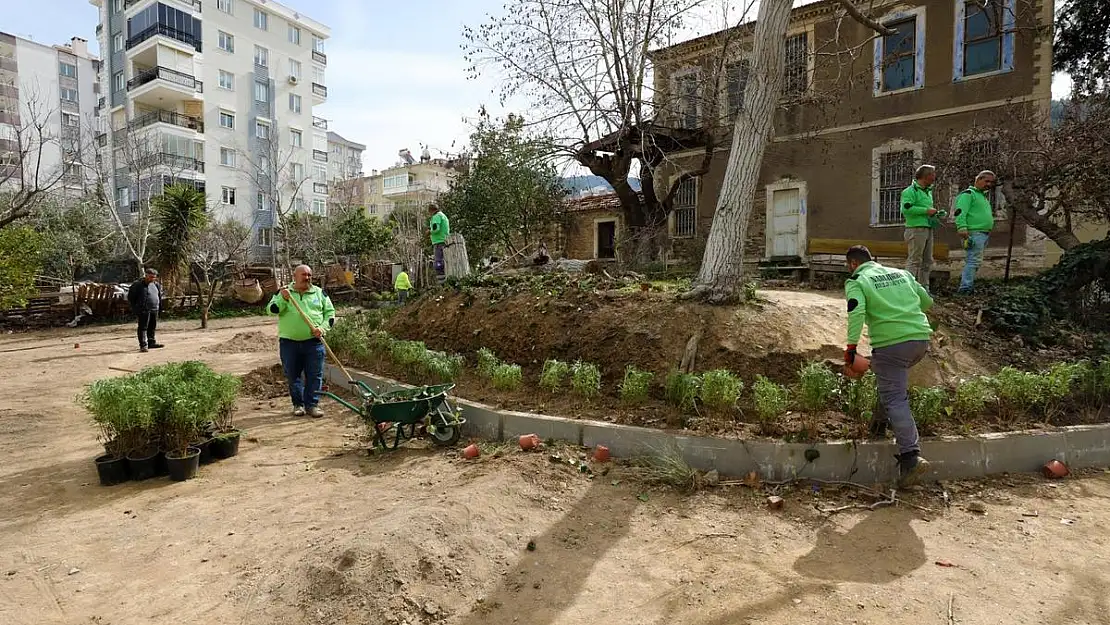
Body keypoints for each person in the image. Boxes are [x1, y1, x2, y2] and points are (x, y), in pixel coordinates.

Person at [843, 245, 934, 487]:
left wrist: (851, 350)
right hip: (920, 340)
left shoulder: (857, 280)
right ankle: (878, 426)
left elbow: (856, 312)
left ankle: (910, 457)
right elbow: (926, 301)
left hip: (892, 345)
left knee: (895, 397)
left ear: (852, 264)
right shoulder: (902, 274)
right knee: (888, 381)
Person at [267, 264, 336, 418]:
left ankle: (312, 405)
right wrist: (283, 300)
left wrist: (323, 328)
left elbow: (330, 314)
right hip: (289, 343)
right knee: (293, 375)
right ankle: (298, 405)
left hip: (314, 343)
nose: (307, 278)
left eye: (309, 275)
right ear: (295, 276)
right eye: (304, 275)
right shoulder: (284, 292)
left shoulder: (319, 293)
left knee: (315, 375)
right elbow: (271, 309)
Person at [900, 165, 946, 291]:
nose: (934, 177)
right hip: (915, 229)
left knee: (927, 261)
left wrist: (935, 213)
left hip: (928, 228)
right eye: (933, 174)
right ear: (926, 176)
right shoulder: (910, 191)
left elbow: (926, 211)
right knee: (914, 260)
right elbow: (906, 209)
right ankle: (907, 289)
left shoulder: (927, 191)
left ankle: (923, 289)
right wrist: (926, 210)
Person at [954, 170, 997, 294]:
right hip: (974, 233)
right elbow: (960, 212)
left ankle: (968, 286)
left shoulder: (982, 196)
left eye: (991, 182)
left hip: (982, 233)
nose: (989, 184)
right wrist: (962, 227)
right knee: (973, 260)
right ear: (978, 180)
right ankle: (965, 289)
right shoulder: (968, 194)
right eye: (986, 181)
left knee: (975, 261)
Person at [127, 268, 164, 353]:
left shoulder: (156, 284)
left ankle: (151, 342)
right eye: (151, 277)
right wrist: (136, 308)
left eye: (154, 277)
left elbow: (159, 296)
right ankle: (143, 345)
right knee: (143, 327)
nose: (152, 279)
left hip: (154, 309)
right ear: (146, 275)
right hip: (143, 310)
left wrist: (160, 307)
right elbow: (131, 298)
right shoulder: (138, 285)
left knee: (152, 327)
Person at [428, 203, 450, 282]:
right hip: (444, 240)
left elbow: (436, 229)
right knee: (444, 260)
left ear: (431, 211)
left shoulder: (436, 216)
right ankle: (445, 278)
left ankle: (441, 280)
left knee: (438, 261)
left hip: (439, 241)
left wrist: (429, 232)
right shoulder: (443, 215)